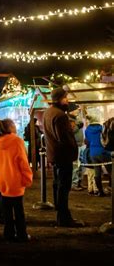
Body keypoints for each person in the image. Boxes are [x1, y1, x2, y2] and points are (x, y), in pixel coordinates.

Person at [43, 87, 83, 227]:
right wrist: (72, 149)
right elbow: (64, 138)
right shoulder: (59, 115)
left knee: (58, 185)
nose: (67, 101)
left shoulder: (48, 113)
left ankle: (61, 215)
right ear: (59, 99)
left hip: (55, 155)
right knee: (63, 187)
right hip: (63, 156)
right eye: (65, 98)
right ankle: (64, 218)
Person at [0, 119, 32, 241]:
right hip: (16, 180)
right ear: (10, 127)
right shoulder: (17, 141)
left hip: (2, 180)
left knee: (6, 209)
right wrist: (27, 178)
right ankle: (21, 234)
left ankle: (8, 233)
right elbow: (23, 162)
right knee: (19, 210)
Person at [85, 115, 112, 197]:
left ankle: (101, 192)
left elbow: (87, 141)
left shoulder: (87, 130)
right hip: (104, 152)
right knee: (111, 171)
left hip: (93, 153)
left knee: (97, 173)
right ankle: (111, 188)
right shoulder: (101, 128)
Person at [69, 109, 85, 191]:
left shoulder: (76, 120)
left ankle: (79, 182)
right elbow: (71, 131)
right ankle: (74, 184)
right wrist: (78, 126)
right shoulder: (69, 120)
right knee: (75, 166)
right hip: (75, 146)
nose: (77, 111)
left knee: (82, 166)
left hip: (81, 145)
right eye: (75, 110)